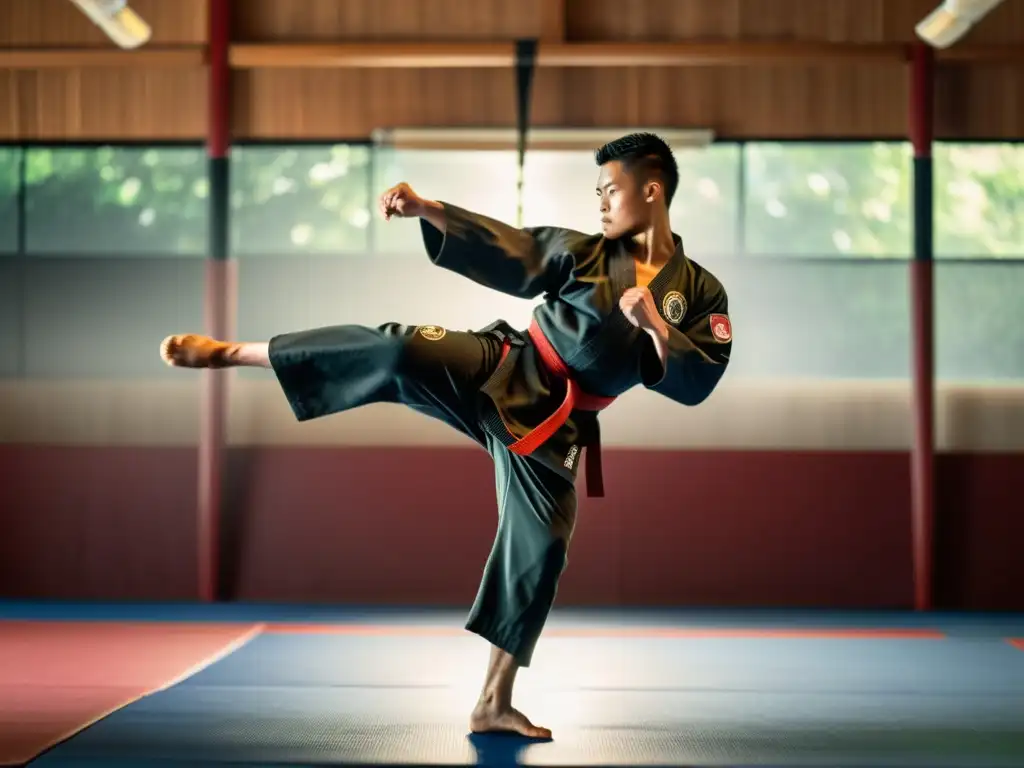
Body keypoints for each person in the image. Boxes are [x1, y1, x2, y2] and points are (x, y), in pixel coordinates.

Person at [159, 132, 732, 740]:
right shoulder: (583, 251)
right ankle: (239, 352)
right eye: (597, 192)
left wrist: (656, 333)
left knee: (541, 548)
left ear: (651, 189)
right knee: (400, 346)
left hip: (556, 425)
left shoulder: (699, 292)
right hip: (504, 365)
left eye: (610, 190)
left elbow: (699, 381)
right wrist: (428, 209)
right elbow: (513, 248)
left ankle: (492, 702)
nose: (600, 202)